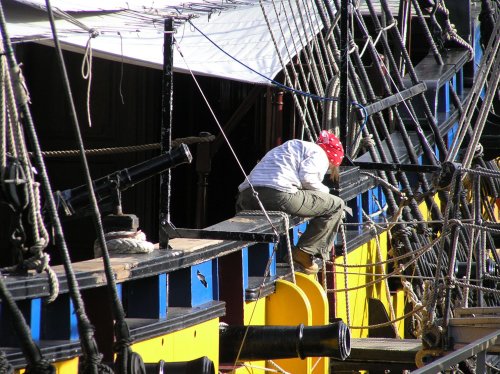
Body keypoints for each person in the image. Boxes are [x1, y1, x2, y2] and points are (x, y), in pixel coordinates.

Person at [235, 130, 345, 274]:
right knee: (336, 205)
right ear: (332, 159)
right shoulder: (320, 154)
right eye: (331, 168)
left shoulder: (290, 147)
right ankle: (304, 253)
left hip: (246, 196)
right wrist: (325, 192)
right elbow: (307, 178)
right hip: (277, 195)